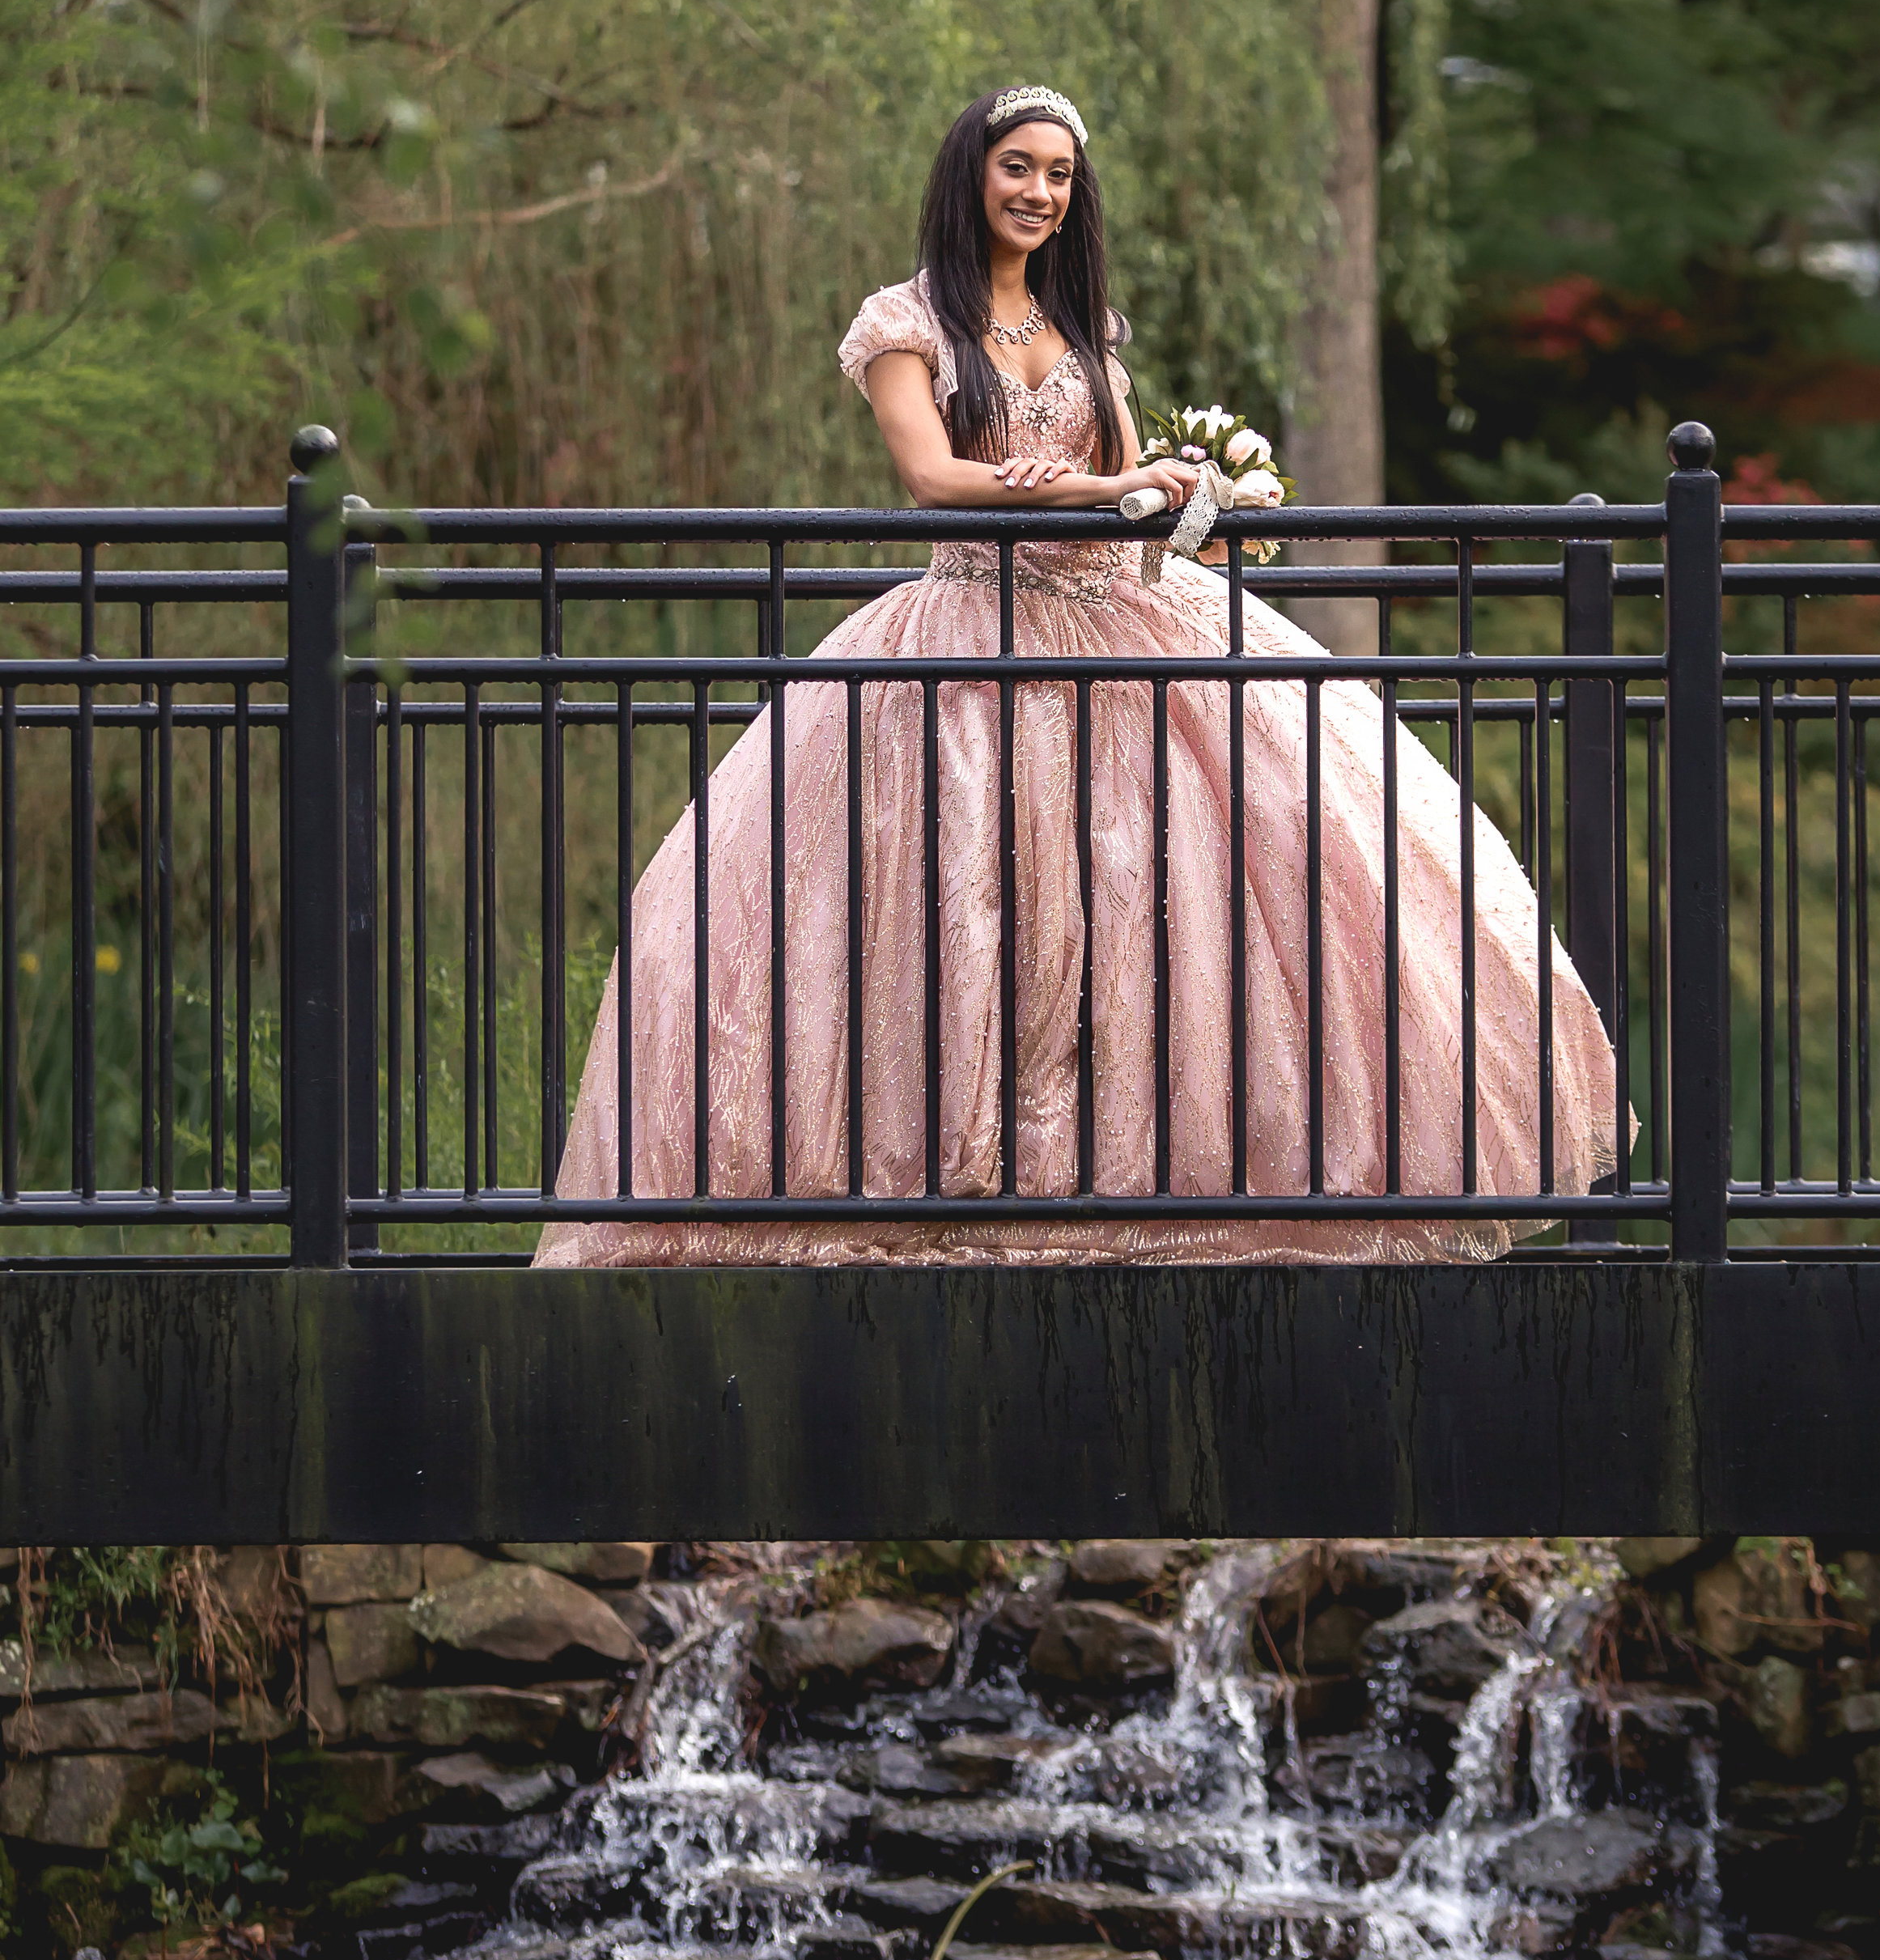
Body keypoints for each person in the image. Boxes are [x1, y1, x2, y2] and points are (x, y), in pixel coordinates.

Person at [534, 83, 1619, 1268]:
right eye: (1017, 167)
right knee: (969, 908)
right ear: (972, 174)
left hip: (1124, 624)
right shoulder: (906, 322)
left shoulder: (1085, 327)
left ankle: (1164, 1179)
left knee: (1193, 892)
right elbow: (934, 479)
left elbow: (1128, 490)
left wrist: (1189, 496)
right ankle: (950, 1182)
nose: (1038, 192)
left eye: (1057, 173)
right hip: (973, 639)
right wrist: (1102, 489)